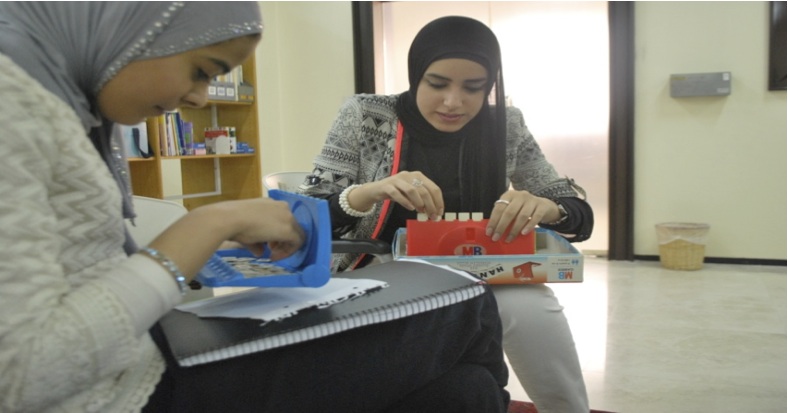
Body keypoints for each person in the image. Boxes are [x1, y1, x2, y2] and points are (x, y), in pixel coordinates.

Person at [0, 3, 511, 412]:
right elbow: (22, 375)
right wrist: (209, 223)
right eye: (201, 71)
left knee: (466, 393)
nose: (199, 98)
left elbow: (74, 270)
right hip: (134, 387)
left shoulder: (63, 107)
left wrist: (545, 207)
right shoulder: (15, 107)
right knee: (469, 304)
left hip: (140, 352)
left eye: (474, 88)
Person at [302, 16, 594, 413]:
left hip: (480, 265)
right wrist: (369, 192)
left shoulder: (505, 125)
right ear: (416, 75)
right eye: (437, 84)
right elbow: (309, 211)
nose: (453, 102)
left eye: (474, 88)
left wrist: (549, 206)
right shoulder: (367, 115)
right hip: (381, 264)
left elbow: (576, 212)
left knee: (531, 308)